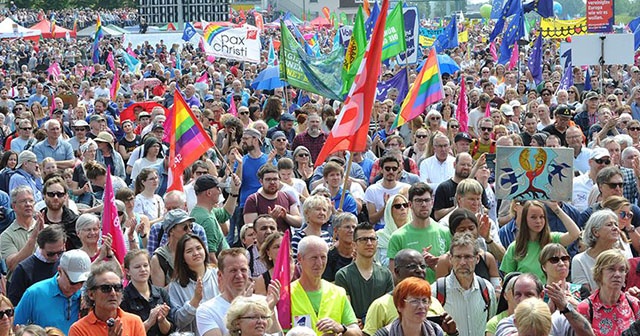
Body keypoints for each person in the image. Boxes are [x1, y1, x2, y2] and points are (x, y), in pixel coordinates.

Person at [197, 248, 281, 336]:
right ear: (220, 275)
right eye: (233, 270)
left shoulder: (264, 303)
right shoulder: (206, 310)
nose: (239, 275)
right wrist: (243, 307)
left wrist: (270, 309)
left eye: (243, 270)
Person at [291, 235, 360, 335]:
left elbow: (357, 332)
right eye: (314, 258)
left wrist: (341, 328)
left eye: (323, 257)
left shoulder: (338, 293)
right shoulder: (287, 294)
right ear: (300, 258)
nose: (319, 263)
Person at [432, 233, 497, 336]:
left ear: (477, 259)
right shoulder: (436, 291)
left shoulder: (487, 289)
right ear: (450, 259)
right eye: (458, 257)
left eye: (467, 257)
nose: (462, 262)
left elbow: (490, 325)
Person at [500, 200, 581, 283]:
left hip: (554, 293)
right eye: (533, 217)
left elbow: (575, 233)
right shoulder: (515, 247)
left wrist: (556, 208)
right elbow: (508, 281)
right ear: (525, 219)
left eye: (542, 217)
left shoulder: (553, 239)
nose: (538, 221)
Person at [14, 249, 91, 335]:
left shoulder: (88, 295)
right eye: (73, 282)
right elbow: (16, 327)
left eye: (82, 282)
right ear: (60, 271)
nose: (78, 286)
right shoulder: (34, 293)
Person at [387, 182, 451, 283]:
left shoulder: (445, 232)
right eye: (418, 201)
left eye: (427, 200)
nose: (424, 204)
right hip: (411, 295)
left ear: (432, 202)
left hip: (440, 295)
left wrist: (437, 266)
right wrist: (417, 265)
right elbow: (393, 277)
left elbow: (453, 273)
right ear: (410, 205)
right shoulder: (398, 237)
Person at [335, 222, 394, 323]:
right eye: (363, 239)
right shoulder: (343, 275)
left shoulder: (386, 274)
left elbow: (388, 309)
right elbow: (347, 312)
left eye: (373, 239)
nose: (369, 243)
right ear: (354, 244)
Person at [68, 263, 146, 336]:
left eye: (117, 288)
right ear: (91, 294)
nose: (113, 293)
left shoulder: (134, 322)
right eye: (105, 288)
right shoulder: (78, 329)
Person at [577, 250, 640, 336]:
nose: (617, 274)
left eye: (622, 270)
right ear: (599, 273)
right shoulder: (585, 308)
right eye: (611, 269)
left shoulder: (633, 304)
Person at [168, 234, 220, 334]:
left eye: (198, 248)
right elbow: (177, 321)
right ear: (182, 257)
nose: (196, 253)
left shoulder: (218, 274)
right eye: (189, 251)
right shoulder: (175, 286)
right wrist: (194, 301)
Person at [434, 208, 500, 286]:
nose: (468, 233)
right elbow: (441, 290)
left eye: (471, 228)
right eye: (462, 230)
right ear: (453, 232)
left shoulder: (487, 258)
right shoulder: (444, 261)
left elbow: (496, 290)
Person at [7, 225, 66, 306]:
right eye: (50, 254)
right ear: (40, 247)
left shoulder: (66, 261)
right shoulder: (24, 269)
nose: (56, 257)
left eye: (60, 252)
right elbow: (14, 304)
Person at [572, 209, 628, 293]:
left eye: (616, 225)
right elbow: (583, 294)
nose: (615, 228)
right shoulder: (579, 260)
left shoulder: (624, 256)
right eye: (609, 225)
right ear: (595, 232)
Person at [121, 249, 174, 336]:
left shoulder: (161, 293)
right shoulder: (124, 297)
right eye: (137, 267)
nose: (143, 269)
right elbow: (127, 332)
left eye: (145, 265)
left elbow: (169, 331)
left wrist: (162, 320)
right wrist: (149, 322)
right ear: (128, 271)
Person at [373, 277, 446, 336]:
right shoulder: (384, 334)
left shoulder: (436, 331)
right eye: (414, 301)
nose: (421, 306)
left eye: (424, 301)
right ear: (399, 306)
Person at [0, 186, 44, 278]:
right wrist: (33, 238)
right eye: (23, 201)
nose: (28, 204)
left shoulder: (44, 229)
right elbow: (13, 266)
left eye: (31, 201)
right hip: (19, 287)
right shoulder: (6, 236)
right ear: (14, 206)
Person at [191, 174, 240, 255]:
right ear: (209, 193)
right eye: (217, 188)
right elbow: (211, 256)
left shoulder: (203, 211)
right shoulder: (207, 219)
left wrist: (234, 191)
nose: (220, 191)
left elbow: (225, 213)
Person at [150, 209, 197, 287]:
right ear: (171, 230)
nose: (189, 231)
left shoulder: (195, 251)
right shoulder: (159, 258)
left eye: (191, 226)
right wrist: (179, 281)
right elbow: (160, 294)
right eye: (185, 227)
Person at [376, 195, 412, 267]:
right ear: (389, 210)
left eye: (405, 205)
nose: (402, 208)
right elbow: (384, 263)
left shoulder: (415, 232)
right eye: (398, 206)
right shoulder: (381, 236)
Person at [323, 213, 357, 282]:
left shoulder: (361, 253)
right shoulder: (330, 255)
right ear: (336, 231)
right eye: (347, 227)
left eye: (354, 227)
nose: (351, 230)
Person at [254, 231, 284, 295]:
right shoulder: (262, 280)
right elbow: (260, 304)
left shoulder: (299, 271)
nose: (281, 249)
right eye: (276, 247)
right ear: (268, 253)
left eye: (284, 245)